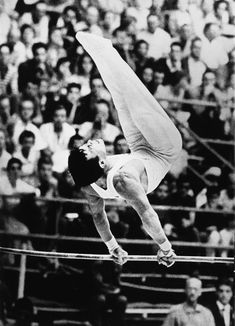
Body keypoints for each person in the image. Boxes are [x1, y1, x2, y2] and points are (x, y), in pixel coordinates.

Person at [68, 32, 182, 267]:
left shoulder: (88, 185)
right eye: (89, 148)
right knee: (134, 98)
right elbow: (147, 214)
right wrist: (165, 248)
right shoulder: (123, 180)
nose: (89, 141)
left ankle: (101, 54)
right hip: (164, 149)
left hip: (140, 147)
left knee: (119, 97)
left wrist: (113, 247)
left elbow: (99, 216)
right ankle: (107, 50)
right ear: (99, 163)